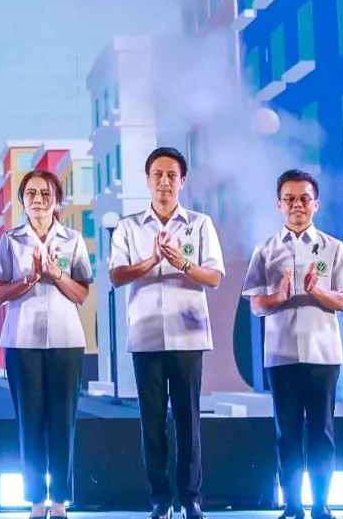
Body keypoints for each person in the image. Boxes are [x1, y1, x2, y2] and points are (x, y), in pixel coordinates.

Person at [109, 147, 224, 519]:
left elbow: (214, 277)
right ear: (147, 180)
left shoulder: (199, 224)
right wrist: (152, 261)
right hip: (145, 337)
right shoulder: (129, 226)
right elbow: (116, 275)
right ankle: (160, 498)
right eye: (157, 174)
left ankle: (191, 498)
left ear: (182, 181)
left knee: (188, 420)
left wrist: (183, 262)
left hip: (188, 335)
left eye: (171, 175)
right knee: (153, 422)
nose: (164, 181)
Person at [242, 169, 343, 519]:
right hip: (281, 355)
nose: (297, 205)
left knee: (322, 432)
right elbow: (256, 305)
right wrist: (279, 295)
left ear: (315, 204)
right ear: (279, 204)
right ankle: (292, 505)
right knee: (287, 433)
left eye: (304, 198)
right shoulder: (265, 250)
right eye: (289, 199)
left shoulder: (333, 248)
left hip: (323, 354)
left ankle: (321, 505)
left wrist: (316, 290)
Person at [0, 169, 92, 519]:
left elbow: (81, 293)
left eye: (46, 194)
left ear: (57, 200)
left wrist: (55, 274)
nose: (38, 200)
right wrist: (30, 278)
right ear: (22, 200)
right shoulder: (11, 240)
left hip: (66, 341)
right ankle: (36, 500)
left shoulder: (72, 240)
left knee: (63, 422)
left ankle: (60, 500)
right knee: (30, 423)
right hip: (21, 342)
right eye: (31, 194)